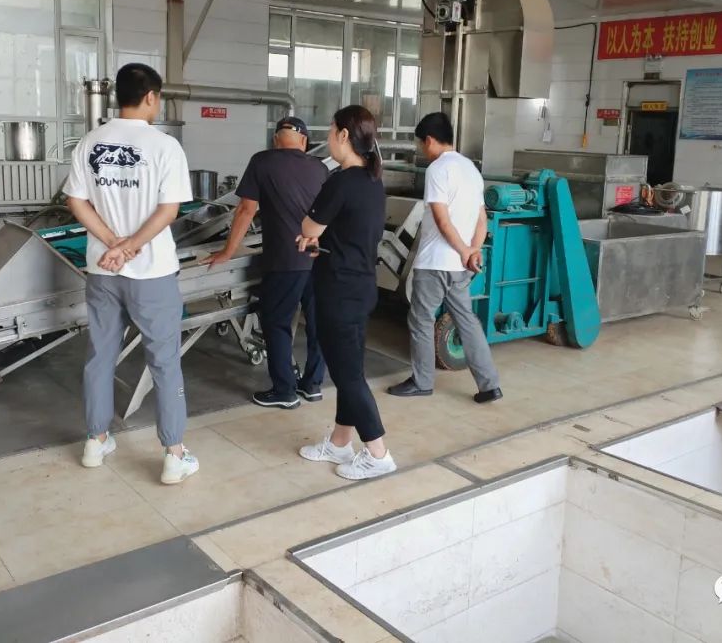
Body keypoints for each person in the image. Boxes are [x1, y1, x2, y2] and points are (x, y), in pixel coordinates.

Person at [65, 63, 199, 484]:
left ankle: (95, 441)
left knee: (100, 357)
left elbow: (76, 201)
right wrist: (130, 246)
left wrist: (112, 243)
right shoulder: (164, 146)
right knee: (164, 362)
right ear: (151, 97)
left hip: (102, 270)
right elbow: (169, 211)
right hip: (152, 272)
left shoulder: (90, 142)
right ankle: (174, 456)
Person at [296, 105, 396, 480]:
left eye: (331, 130)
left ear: (343, 135)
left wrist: (311, 236)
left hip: (340, 290)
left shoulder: (341, 181)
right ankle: (340, 442)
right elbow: (342, 232)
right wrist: (319, 241)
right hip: (359, 285)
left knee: (348, 375)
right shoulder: (372, 180)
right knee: (348, 368)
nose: (327, 138)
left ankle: (378, 453)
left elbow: (310, 225)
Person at [208, 116, 328, 409]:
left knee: (276, 322)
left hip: (285, 260)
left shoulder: (262, 161)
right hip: (318, 258)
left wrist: (227, 252)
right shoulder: (320, 168)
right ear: (304, 140)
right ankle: (313, 385)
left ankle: (285, 391)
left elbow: (246, 210)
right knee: (318, 324)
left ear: (276, 139)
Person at [387, 112, 503, 404]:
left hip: (436, 262)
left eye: (420, 144)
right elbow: (481, 219)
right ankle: (490, 385)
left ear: (429, 140)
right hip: (461, 267)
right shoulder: (471, 169)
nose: (421, 149)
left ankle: (422, 381)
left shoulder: (438, 169)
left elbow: (441, 218)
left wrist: (464, 250)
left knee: (421, 320)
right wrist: (473, 250)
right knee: (467, 321)